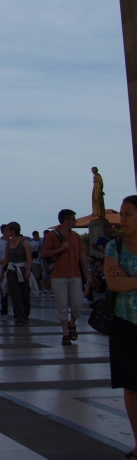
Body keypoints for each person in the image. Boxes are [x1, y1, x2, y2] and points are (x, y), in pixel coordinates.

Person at [104, 195, 137, 460]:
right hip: (125, 323)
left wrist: (131, 279)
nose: (122, 220)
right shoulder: (114, 246)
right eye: (122, 214)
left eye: (128, 214)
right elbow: (114, 284)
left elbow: (123, 282)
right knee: (131, 385)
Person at [43, 209, 91, 345]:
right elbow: (45, 253)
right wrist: (60, 249)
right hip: (58, 275)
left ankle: (72, 323)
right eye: (72, 219)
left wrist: (87, 272)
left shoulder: (76, 236)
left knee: (77, 304)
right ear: (65, 220)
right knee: (62, 305)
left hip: (75, 274)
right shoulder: (52, 236)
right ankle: (65, 333)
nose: (75, 221)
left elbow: (82, 255)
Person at [3, 222, 32, 326]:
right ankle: (19, 317)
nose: (6, 232)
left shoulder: (24, 242)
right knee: (15, 294)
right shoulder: (8, 243)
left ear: (13, 231)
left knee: (25, 294)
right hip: (11, 270)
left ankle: (25, 315)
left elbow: (29, 257)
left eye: (7, 230)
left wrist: (28, 269)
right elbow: (6, 258)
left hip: (22, 269)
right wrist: (3, 272)